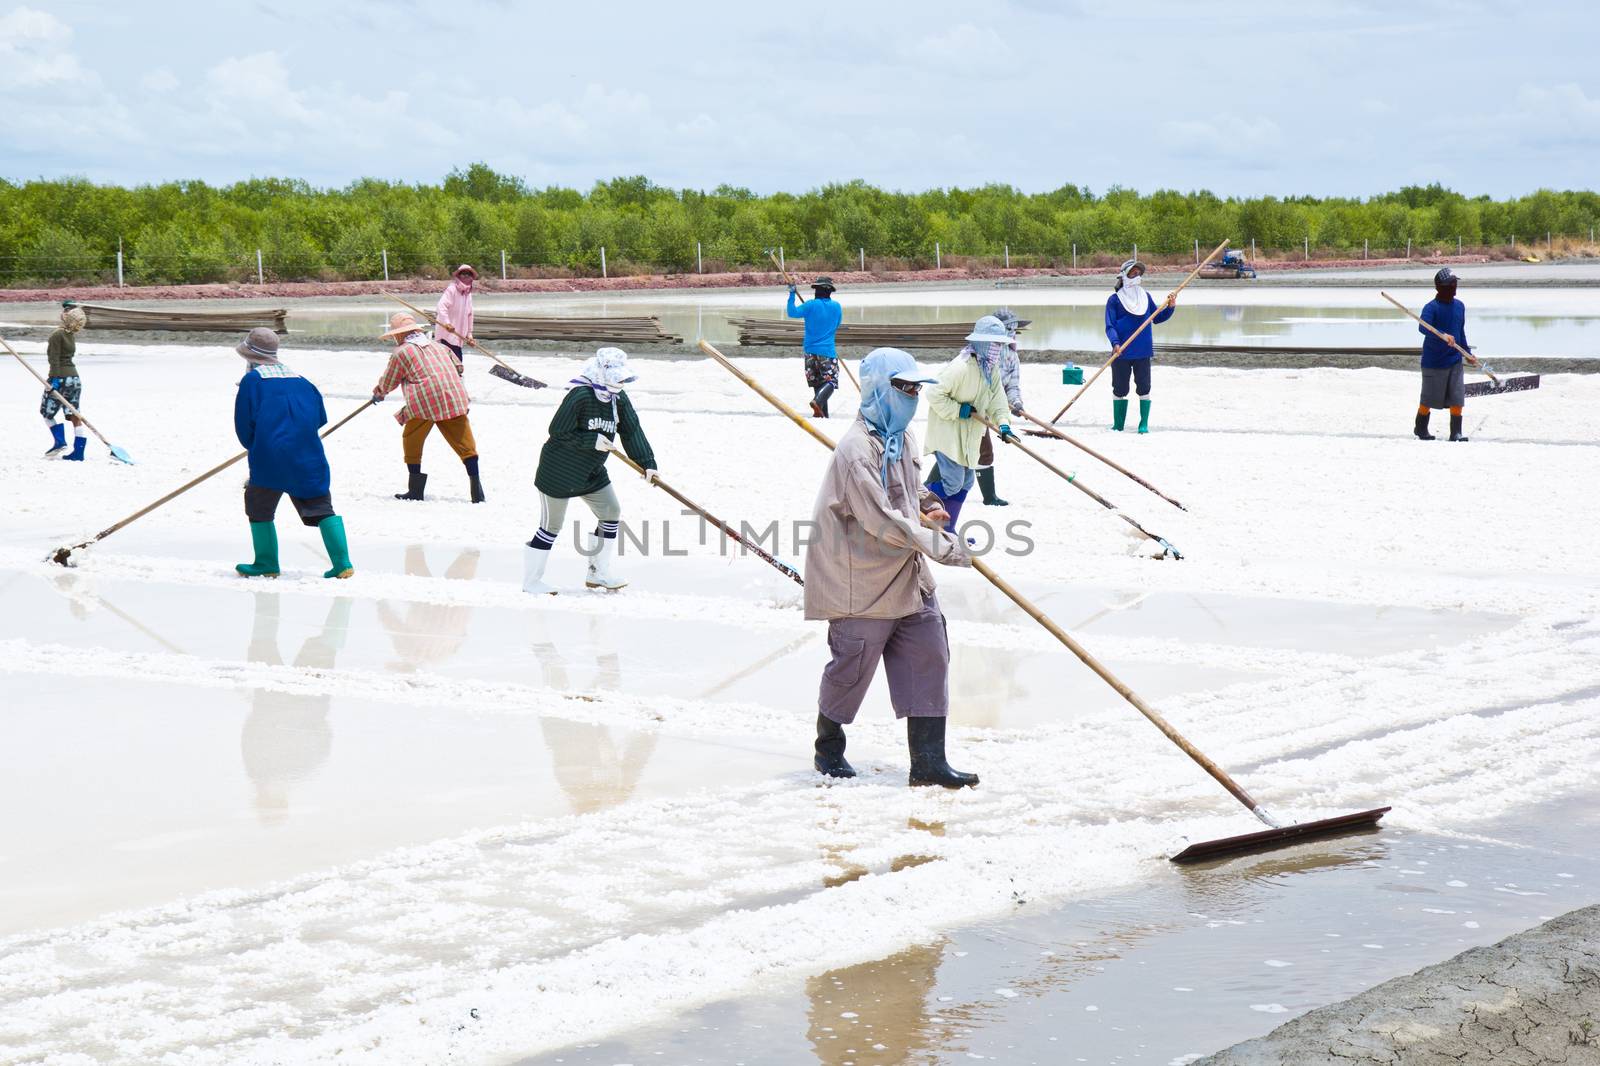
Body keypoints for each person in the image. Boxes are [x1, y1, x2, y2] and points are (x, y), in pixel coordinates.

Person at [804, 346, 978, 788]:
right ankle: (829, 749)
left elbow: (911, 490)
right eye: (903, 387)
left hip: (906, 571)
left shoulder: (902, 437)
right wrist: (943, 547)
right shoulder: (855, 451)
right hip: (858, 574)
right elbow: (882, 520)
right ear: (880, 389)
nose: (912, 396)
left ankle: (929, 763)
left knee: (930, 655)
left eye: (916, 388)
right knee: (851, 668)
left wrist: (932, 506)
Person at [524, 347, 658, 595]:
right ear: (601, 373)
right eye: (617, 377)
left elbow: (631, 431)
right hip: (559, 471)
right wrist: (591, 440)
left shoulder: (619, 398)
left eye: (623, 378)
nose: (621, 382)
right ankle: (531, 582)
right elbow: (558, 431)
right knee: (551, 526)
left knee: (611, 511)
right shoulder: (580, 395)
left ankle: (598, 573)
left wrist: (648, 463)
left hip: (591, 470)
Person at [232, 327, 354, 579]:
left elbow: (244, 426)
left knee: (258, 506)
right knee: (321, 506)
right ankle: (343, 563)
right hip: (308, 455)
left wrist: (256, 446)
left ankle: (266, 564)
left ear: (251, 358)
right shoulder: (302, 380)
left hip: (270, 457)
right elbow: (320, 418)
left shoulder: (252, 381)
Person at [373, 311, 484, 503]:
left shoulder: (401, 352)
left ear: (399, 334)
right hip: (454, 397)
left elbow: (389, 381)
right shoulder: (440, 346)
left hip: (424, 403)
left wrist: (379, 392)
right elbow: (459, 367)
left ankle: (415, 490)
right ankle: (477, 491)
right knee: (465, 443)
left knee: (411, 439)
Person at [923, 315, 1017, 531]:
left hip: (970, 436)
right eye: (994, 344)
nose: (997, 349)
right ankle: (920, 504)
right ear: (982, 343)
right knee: (953, 482)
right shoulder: (960, 367)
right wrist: (958, 409)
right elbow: (934, 393)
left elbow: (998, 400)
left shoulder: (989, 369)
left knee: (966, 482)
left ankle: (948, 527)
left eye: (999, 344)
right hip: (948, 434)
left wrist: (1003, 423)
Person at [1104, 260, 1177, 433]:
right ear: (1124, 276)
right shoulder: (1114, 300)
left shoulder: (1145, 297)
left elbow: (1156, 318)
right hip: (1121, 351)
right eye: (1132, 273)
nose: (1136, 276)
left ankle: (1143, 424)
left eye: (1138, 273)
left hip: (1142, 350)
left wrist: (1170, 307)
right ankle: (1118, 424)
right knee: (1120, 388)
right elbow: (1110, 325)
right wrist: (1115, 344)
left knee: (1144, 387)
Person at [977, 307, 1031, 506]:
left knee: (975, 454)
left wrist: (1016, 403)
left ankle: (988, 496)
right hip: (977, 411)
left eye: (1015, 330)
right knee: (974, 454)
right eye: (1009, 329)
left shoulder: (1012, 355)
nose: (1013, 333)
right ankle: (989, 497)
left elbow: (1013, 385)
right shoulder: (985, 353)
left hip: (995, 411)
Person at [1417, 267, 1471, 442]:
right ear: (1442, 287)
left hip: (1454, 359)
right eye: (1451, 284)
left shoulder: (1460, 306)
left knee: (1457, 396)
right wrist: (1442, 334)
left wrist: (1467, 353)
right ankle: (1421, 428)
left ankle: (1456, 432)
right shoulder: (1431, 307)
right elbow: (1423, 327)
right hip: (1434, 360)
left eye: (1455, 283)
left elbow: (1460, 332)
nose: (1455, 287)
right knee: (1429, 398)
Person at [787, 274, 843, 417]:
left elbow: (791, 312)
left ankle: (822, 413)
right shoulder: (836, 307)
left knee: (818, 382)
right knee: (831, 381)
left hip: (810, 351)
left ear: (817, 290)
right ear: (830, 291)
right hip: (827, 351)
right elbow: (836, 325)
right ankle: (818, 401)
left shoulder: (810, 305)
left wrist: (792, 294)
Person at [42, 304, 88, 460]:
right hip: (74, 379)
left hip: (60, 378)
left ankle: (60, 441)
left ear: (66, 318)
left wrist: (53, 379)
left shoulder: (57, 335)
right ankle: (79, 452)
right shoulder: (70, 335)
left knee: (47, 413)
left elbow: (54, 360)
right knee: (75, 415)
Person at [434, 264, 477, 369]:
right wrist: (447, 323)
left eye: (468, 274)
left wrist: (469, 335)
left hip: (458, 336)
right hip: (447, 334)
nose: (466, 277)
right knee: (453, 365)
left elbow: (470, 314)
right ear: (458, 276)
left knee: (456, 366)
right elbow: (441, 306)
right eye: (463, 274)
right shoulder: (452, 289)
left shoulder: (468, 294)